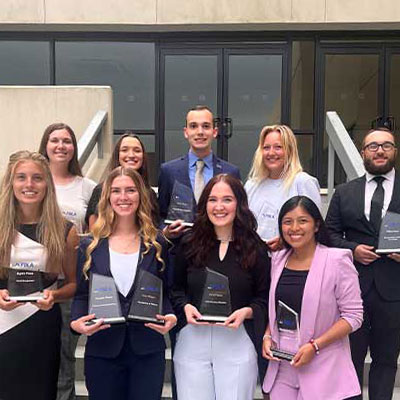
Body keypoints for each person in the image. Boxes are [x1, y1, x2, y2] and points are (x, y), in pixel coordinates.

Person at [71, 167, 177, 400]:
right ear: (108, 196)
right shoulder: (90, 244)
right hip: (102, 348)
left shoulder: (157, 243)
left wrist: (170, 316)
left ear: (140, 195)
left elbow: (166, 293)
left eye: (130, 190)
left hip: (147, 349)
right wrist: (76, 323)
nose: (124, 197)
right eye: (116, 191)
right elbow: (81, 295)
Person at [171, 174, 270, 400]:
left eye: (227, 199)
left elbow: (264, 297)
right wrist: (185, 307)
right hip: (192, 343)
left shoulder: (255, 248)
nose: (219, 207)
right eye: (212, 200)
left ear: (239, 204)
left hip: (237, 342)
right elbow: (175, 288)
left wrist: (247, 311)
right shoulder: (188, 243)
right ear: (204, 204)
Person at [263, 196, 363, 400]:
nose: (294, 227)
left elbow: (353, 316)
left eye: (302, 221)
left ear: (316, 225)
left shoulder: (337, 260)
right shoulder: (277, 259)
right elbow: (276, 308)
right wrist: (267, 336)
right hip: (282, 365)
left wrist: (315, 345)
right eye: (287, 221)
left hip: (324, 364)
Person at [326, 127, 400, 400]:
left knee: (386, 359)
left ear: (394, 151)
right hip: (351, 290)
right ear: (363, 153)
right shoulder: (345, 192)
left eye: (387, 145)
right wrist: (352, 249)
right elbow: (328, 234)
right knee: (350, 357)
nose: (380, 150)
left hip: (393, 291)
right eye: (373, 146)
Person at [0, 150, 78, 400]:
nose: (29, 185)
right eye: (21, 177)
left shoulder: (65, 229)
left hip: (41, 325)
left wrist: (54, 295)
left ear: (48, 184)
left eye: (37, 178)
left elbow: (73, 284)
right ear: (10, 183)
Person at [39, 122, 96, 400]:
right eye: (55, 140)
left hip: (69, 284)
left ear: (74, 148)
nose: (61, 146)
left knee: (64, 358)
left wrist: (73, 238)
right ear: (45, 146)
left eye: (67, 141)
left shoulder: (87, 186)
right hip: (32, 283)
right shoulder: (34, 180)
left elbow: (95, 233)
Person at [158, 105, 241, 239]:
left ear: (214, 132)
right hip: (180, 252)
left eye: (206, 126)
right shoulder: (168, 171)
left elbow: (238, 215)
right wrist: (166, 231)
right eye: (193, 126)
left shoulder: (231, 172)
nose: (200, 132)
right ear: (186, 132)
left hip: (218, 250)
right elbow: (160, 215)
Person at [245, 124, 321, 250]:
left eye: (278, 147)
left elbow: (315, 227)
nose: (271, 153)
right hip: (255, 260)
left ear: (290, 150)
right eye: (266, 147)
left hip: (292, 261)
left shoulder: (303, 182)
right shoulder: (251, 185)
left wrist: (285, 241)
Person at [85, 132, 159, 228]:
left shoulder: (150, 193)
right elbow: (94, 232)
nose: (131, 155)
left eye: (137, 150)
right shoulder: (101, 190)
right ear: (117, 155)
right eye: (124, 150)